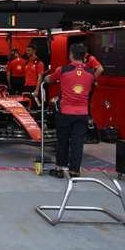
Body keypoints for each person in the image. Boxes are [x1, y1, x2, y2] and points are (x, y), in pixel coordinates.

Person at [42, 43, 98, 178]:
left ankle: (59, 168)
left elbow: (48, 79)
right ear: (84, 56)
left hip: (65, 113)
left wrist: (48, 78)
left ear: (71, 55)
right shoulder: (91, 73)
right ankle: (75, 171)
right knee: (78, 143)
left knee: (63, 141)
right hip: (83, 114)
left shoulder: (63, 70)